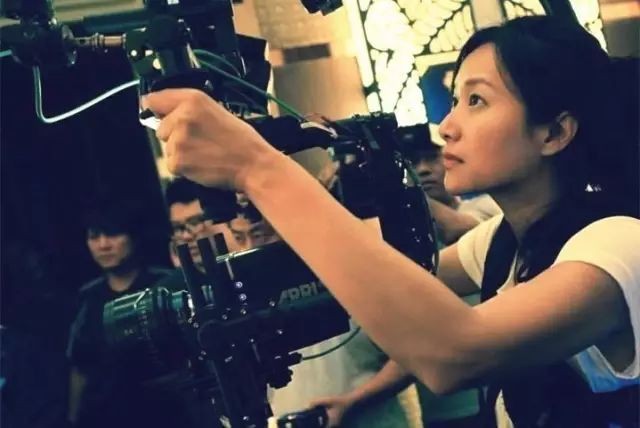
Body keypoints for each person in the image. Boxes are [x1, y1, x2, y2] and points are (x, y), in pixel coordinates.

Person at [141, 15, 639, 427]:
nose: (447, 126)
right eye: (457, 100)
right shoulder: (504, 241)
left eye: (477, 101)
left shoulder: (619, 244)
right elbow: (386, 271)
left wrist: (258, 167)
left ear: (554, 133)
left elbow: (454, 351)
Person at [66, 203, 191, 428]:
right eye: (94, 236)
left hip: (170, 411)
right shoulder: (88, 297)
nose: (103, 245)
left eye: (113, 234)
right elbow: (80, 364)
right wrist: (73, 419)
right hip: (109, 415)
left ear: (133, 236)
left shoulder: (164, 285)